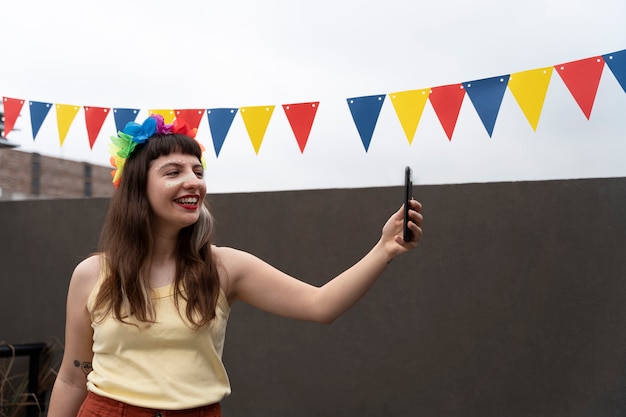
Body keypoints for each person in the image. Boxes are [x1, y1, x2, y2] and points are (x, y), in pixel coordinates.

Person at [47, 114, 423, 417]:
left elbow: (320, 305)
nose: (193, 182)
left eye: (197, 171)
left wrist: (383, 249)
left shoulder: (224, 267)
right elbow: (72, 378)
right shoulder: (93, 274)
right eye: (173, 172)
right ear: (136, 188)